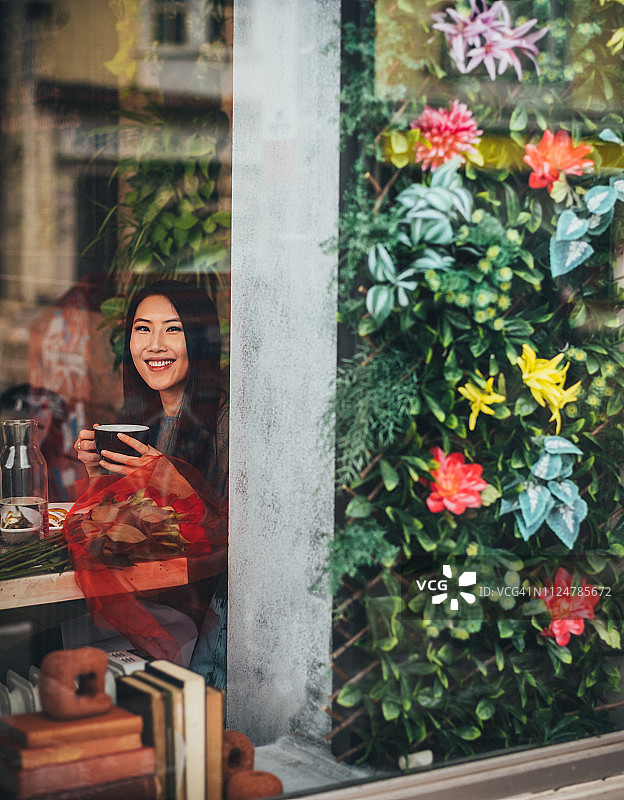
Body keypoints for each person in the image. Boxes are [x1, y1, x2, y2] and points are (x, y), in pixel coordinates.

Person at [73, 279, 228, 685]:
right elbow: (129, 529)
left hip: (212, 611)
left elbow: (237, 540)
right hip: (158, 601)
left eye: (172, 329)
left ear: (200, 340)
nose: (154, 345)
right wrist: (97, 474)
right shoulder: (145, 422)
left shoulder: (229, 421)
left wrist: (174, 485)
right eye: (143, 329)